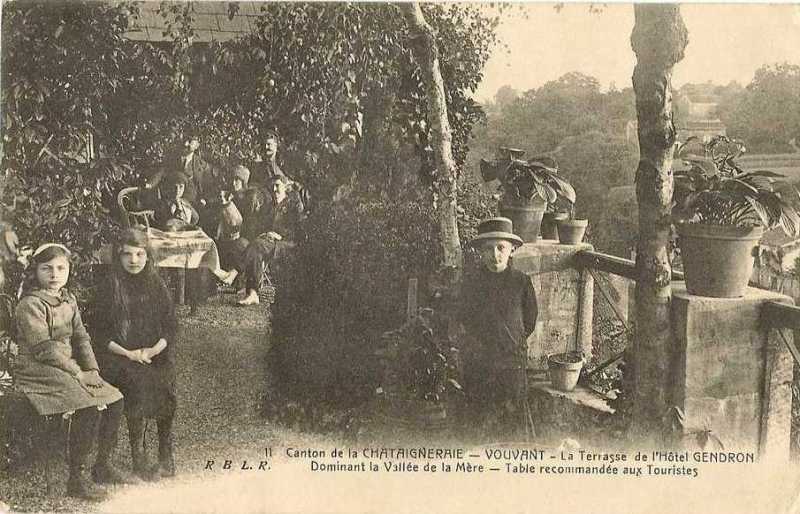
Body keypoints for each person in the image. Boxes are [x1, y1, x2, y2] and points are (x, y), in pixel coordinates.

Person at [14, 243, 128, 501]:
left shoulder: (68, 299)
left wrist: (93, 370)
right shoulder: (30, 304)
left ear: (69, 270)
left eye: (60, 268)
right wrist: (78, 373)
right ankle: (76, 478)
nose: (54, 274)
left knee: (115, 399)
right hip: (38, 369)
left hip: (70, 367)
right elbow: (44, 349)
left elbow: (81, 338)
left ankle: (102, 465)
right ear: (36, 271)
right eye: (47, 269)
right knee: (87, 406)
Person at [92, 228, 179, 481]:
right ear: (118, 257)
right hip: (119, 355)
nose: (134, 260)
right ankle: (138, 456)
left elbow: (170, 326)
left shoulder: (156, 283)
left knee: (166, 383)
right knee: (137, 384)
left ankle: (165, 454)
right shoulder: (110, 285)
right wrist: (129, 354)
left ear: (147, 255)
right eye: (127, 255)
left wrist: (153, 350)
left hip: (153, 352)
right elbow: (99, 334)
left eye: (139, 254)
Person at [457, 217, 538, 438]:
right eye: (488, 249)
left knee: (513, 423)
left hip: (512, 364)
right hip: (481, 364)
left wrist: (511, 342)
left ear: (511, 250)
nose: (495, 255)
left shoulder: (521, 282)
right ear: (481, 253)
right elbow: (465, 318)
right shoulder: (471, 284)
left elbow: (529, 321)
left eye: (500, 248)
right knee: (482, 421)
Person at [223, 174, 304, 305]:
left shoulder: (294, 205)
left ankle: (234, 272)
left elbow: (299, 230)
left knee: (257, 246)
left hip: (287, 244)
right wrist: (263, 233)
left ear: (286, 188)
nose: (274, 189)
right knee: (249, 246)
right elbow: (261, 226)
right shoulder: (269, 206)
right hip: (268, 242)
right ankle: (252, 293)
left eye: (277, 185)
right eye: (272, 186)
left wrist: (280, 236)